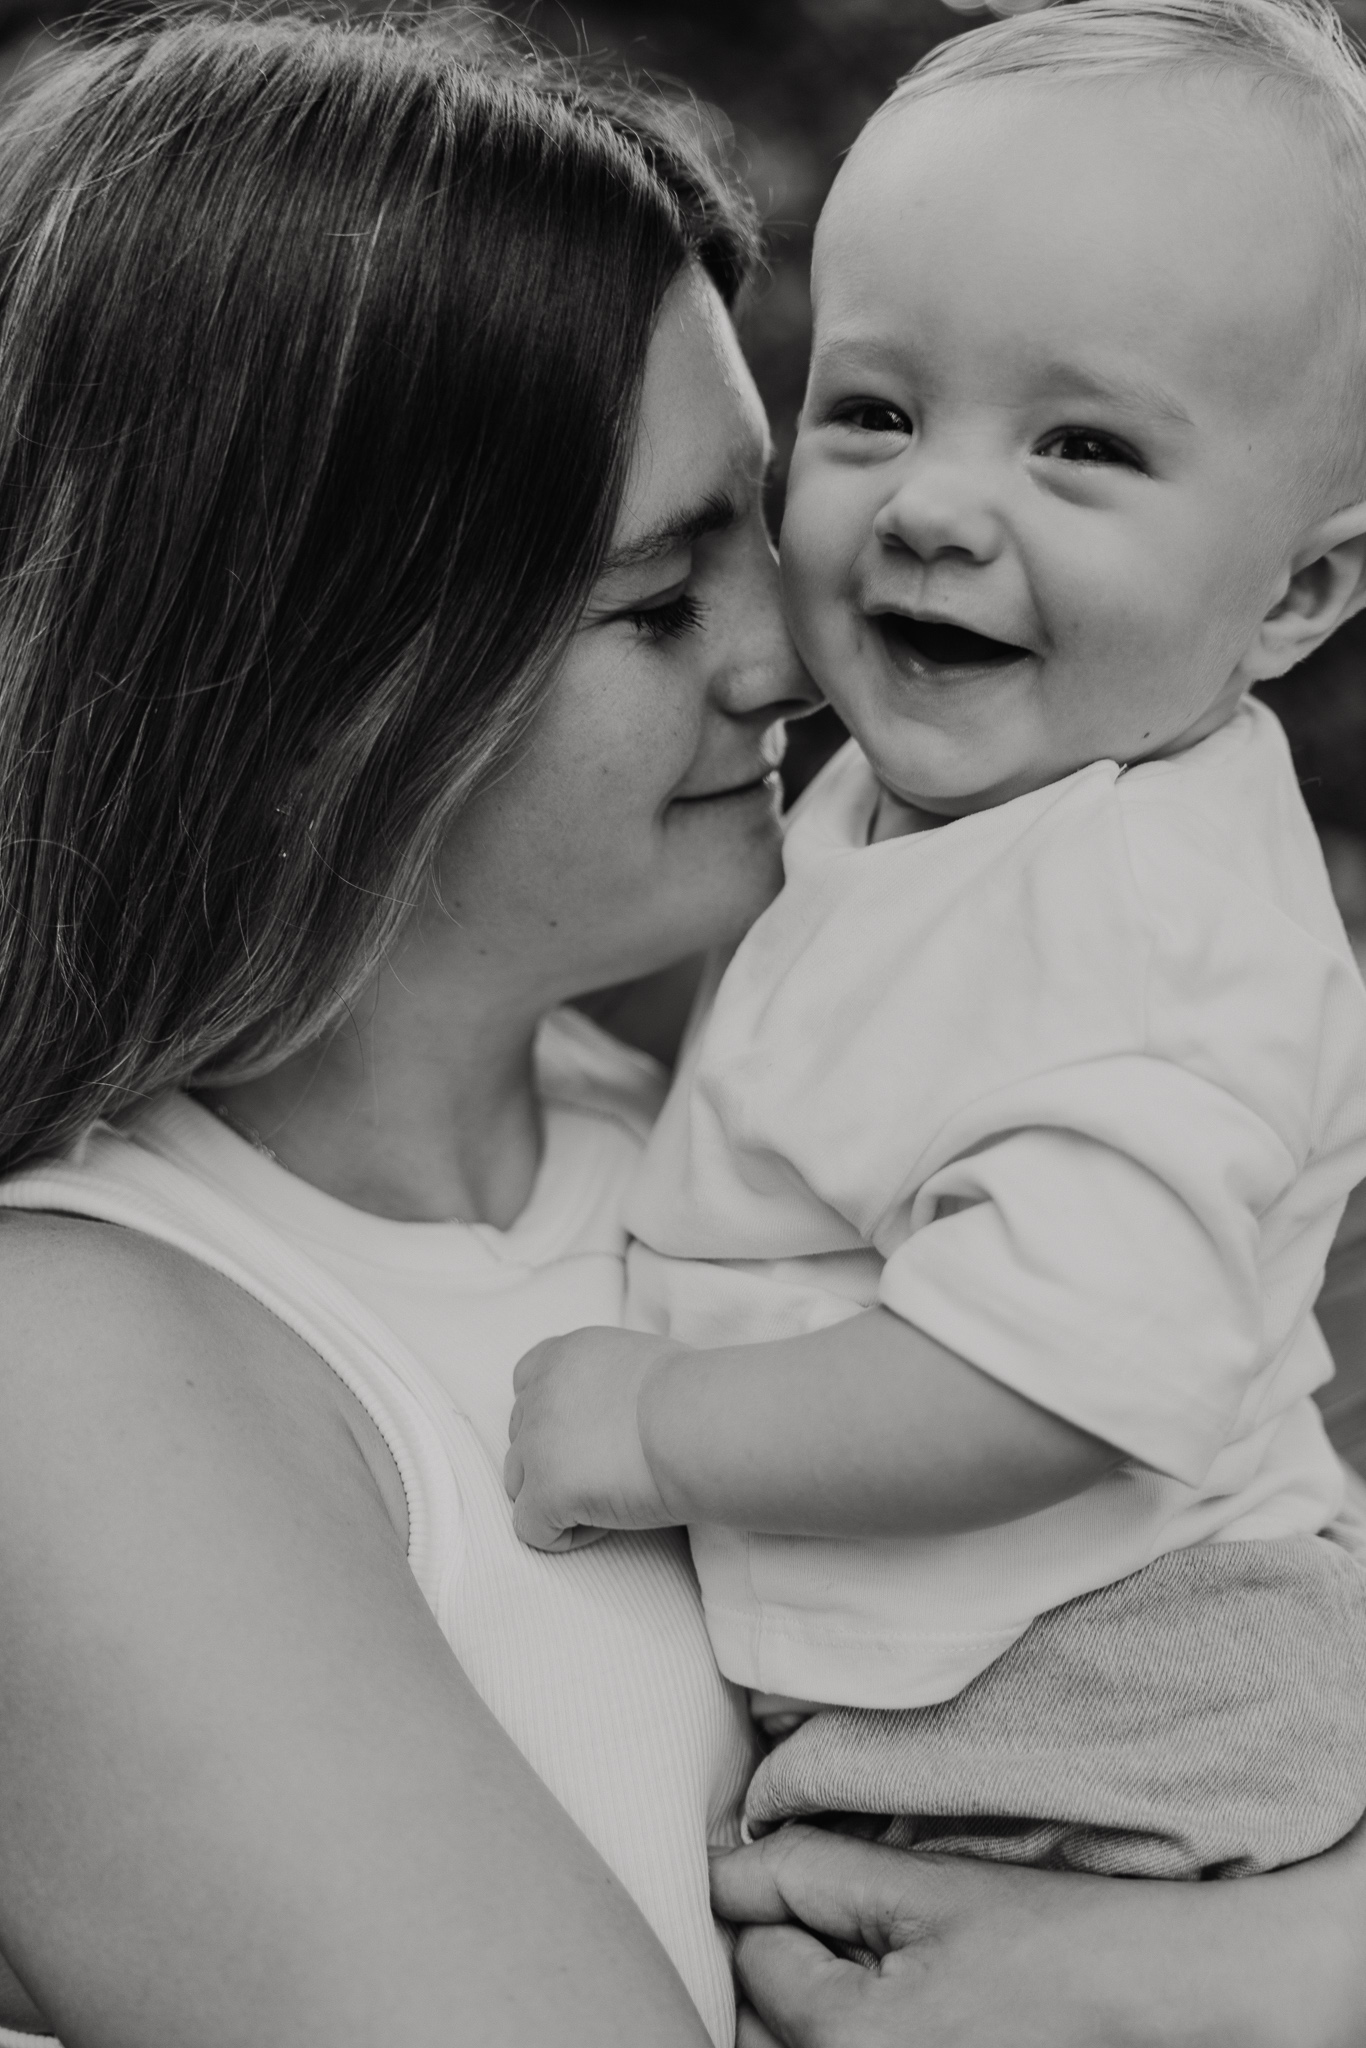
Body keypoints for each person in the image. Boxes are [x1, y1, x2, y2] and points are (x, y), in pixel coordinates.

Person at [0, 12, 1362, 2048]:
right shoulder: (78, 1366)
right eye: (654, 600)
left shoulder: (723, 1137)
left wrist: (1238, 1967)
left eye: (757, 517)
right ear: (309, 669)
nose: (784, 654)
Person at [505, 0, 1366, 1880]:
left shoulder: (1145, 922)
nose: (937, 506)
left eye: (1079, 446)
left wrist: (657, 1429)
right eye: (876, 411)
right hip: (984, 1680)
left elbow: (1054, 1377)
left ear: (1294, 591)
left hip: (1095, 1711)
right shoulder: (980, 810)